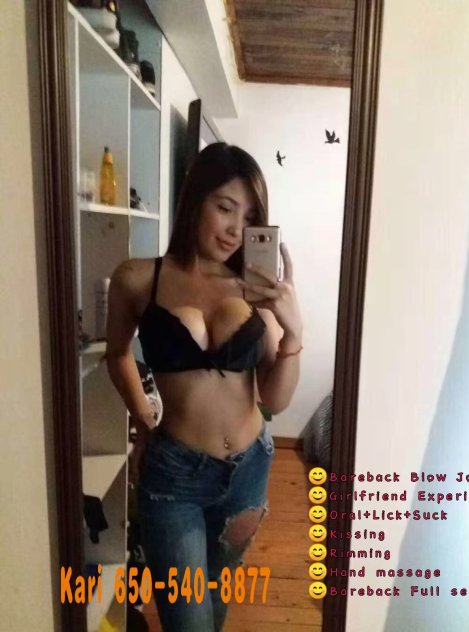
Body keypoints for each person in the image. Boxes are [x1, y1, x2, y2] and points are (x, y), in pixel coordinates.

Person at [106, 142, 303, 631]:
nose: (236, 229)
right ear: (195, 200)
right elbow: (117, 354)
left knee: (215, 603)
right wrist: (144, 420)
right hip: (175, 479)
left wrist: (293, 331)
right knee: (188, 622)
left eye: (249, 216)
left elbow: (275, 398)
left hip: (250, 469)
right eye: (225, 207)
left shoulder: (254, 289)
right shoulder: (138, 278)